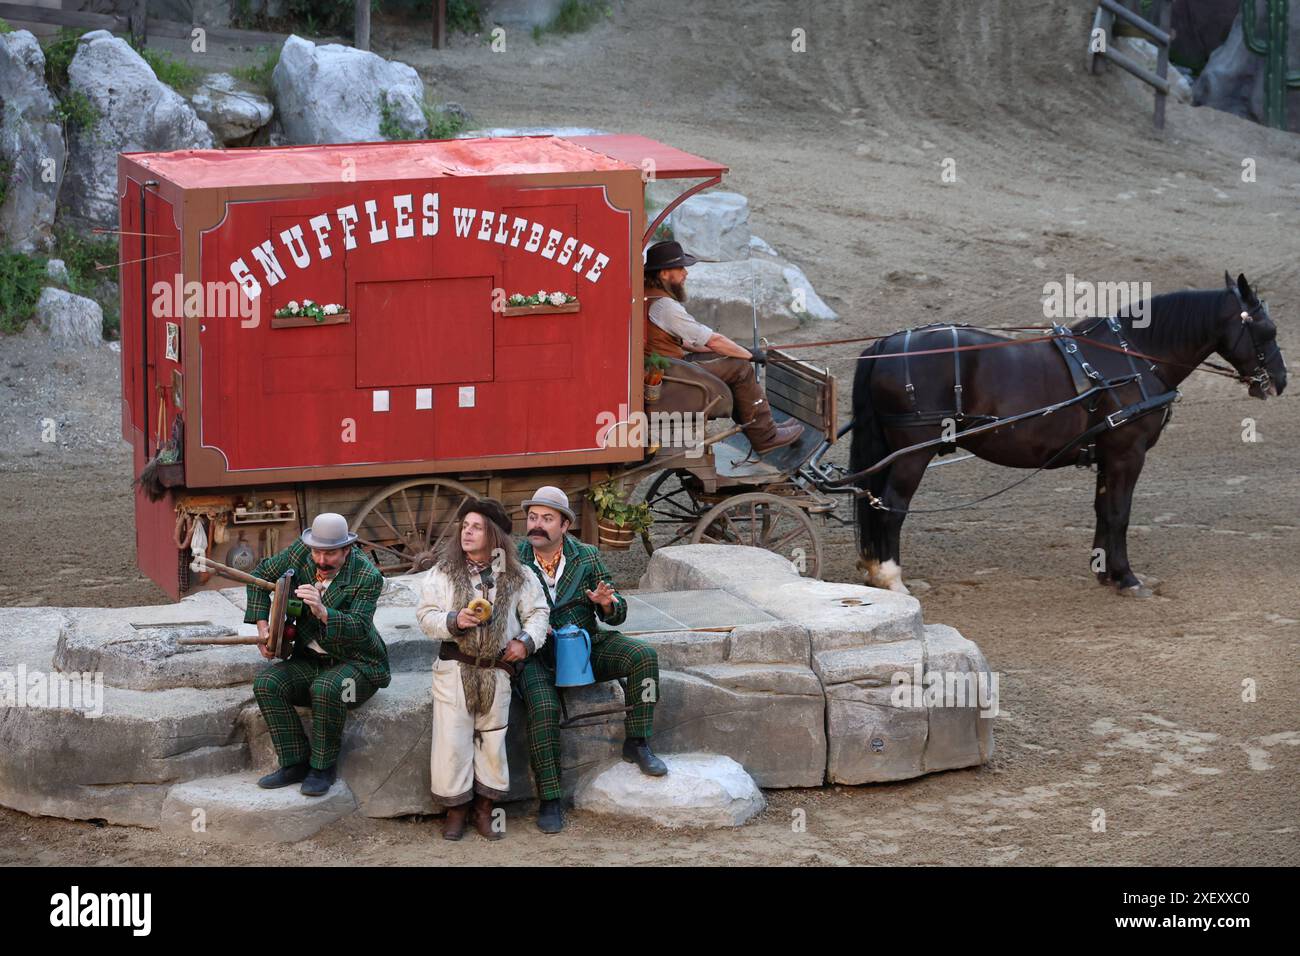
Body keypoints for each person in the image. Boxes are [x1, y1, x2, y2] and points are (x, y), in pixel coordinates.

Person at [516, 485, 666, 834]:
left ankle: (638, 741)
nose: (537, 525)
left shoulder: (586, 557)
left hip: (583, 647)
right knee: (544, 709)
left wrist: (605, 603)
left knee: (643, 657)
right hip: (536, 655)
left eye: (547, 519)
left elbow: (619, 614)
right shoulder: (515, 557)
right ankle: (550, 799)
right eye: (533, 517)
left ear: (565, 525)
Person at [416, 497, 549, 841]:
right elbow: (425, 615)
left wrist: (524, 642)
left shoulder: (518, 575)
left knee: (492, 741)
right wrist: (454, 620)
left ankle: (485, 810)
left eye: (476, 527)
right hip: (454, 670)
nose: (467, 532)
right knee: (452, 742)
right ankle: (456, 811)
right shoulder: (443, 572)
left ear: (493, 535)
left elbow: (538, 613)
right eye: (465, 526)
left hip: (496, 670)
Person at [250, 512, 391, 796]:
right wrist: (263, 628)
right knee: (267, 684)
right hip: (310, 660)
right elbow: (258, 577)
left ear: (347, 549)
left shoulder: (367, 576)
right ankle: (295, 763)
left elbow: (359, 628)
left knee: (326, 688)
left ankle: (322, 768)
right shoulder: (300, 553)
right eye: (317, 552)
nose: (321, 561)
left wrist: (323, 611)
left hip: (357, 662)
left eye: (331, 554)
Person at [644, 239, 804, 453]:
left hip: (665, 369)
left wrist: (737, 349)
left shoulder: (647, 296)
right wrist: (747, 355)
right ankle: (766, 436)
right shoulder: (664, 306)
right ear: (664, 274)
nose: (686, 274)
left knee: (727, 359)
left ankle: (761, 426)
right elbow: (713, 340)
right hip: (671, 378)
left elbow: (694, 343)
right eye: (680, 268)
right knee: (739, 368)